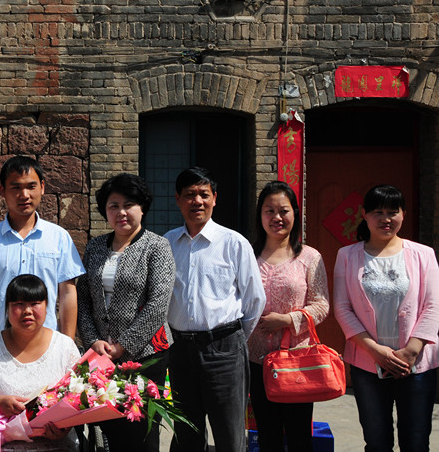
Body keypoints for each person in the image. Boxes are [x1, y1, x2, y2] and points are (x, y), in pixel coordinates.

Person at [164, 166, 265, 452]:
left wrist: (231, 339)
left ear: (215, 198)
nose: (197, 201)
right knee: (187, 434)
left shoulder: (233, 243)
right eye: (189, 194)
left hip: (224, 349)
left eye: (204, 194)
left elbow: (254, 300)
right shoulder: (167, 243)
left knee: (229, 436)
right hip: (181, 351)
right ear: (178, 199)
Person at [334, 184, 439, 452]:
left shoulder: (423, 254)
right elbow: (343, 308)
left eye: (393, 212)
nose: (386, 219)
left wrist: (411, 351)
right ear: (364, 214)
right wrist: (375, 351)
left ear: (403, 214)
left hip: (417, 364)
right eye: (378, 212)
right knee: (377, 441)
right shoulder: (347, 256)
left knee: (416, 442)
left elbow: (432, 305)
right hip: (367, 364)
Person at [77, 173, 175, 451]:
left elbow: (158, 304)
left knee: (142, 432)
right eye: (113, 206)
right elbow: (83, 298)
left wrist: (124, 346)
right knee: (110, 429)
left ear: (142, 208)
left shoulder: (157, 246)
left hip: (145, 355)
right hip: (102, 356)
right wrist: (93, 340)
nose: (121, 212)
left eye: (128, 204)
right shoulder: (95, 246)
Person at [0, 155, 85, 339]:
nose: (24, 195)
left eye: (31, 186)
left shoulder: (59, 237)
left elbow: (67, 293)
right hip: (1, 342)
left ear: (42, 187)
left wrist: (67, 344)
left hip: (48, 343)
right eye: (16, 187)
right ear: (2, 190)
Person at [246, 181, 329, 452]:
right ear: (260, 215)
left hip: (297, 362)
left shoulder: (309, 257)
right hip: (256, 361)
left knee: (299, 437)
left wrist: (287, 320)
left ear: (295, 213)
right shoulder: (247, 256)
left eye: (284, 210)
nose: (277, 217)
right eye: (269, 211)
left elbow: (321, 305)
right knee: (266, 435)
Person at [0, 274, 81, 451]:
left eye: (35, 303)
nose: (27, 311)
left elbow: (81, 395)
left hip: (56, 445)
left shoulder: (65, 347)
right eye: (19, 304)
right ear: (7, 308)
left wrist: (64, 427)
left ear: (47, 306)